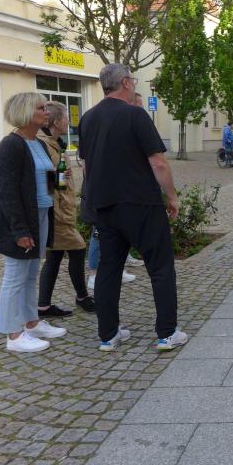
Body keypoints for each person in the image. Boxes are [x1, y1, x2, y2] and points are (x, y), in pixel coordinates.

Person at [79, 63, 187, 352]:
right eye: (134, 81)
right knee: (160, 266)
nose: (135, 85)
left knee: (108, 269)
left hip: (104, 205)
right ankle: (167, 333)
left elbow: (86, 165)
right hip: (140, 203)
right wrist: (172, 196)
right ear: (126, 83)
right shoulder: (135, 114)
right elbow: (158, 162)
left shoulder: (88, 118)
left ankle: (108, 335)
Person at [0, 93, 66, 352]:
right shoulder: (11, 145)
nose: (46, 111)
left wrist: (59, 178)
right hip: (22, 221)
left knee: (31, 273)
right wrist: (20, 230)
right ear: (25, 111)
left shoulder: (38, 143)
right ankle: (13, 335)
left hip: (41, 215)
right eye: (41, 108)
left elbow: (45, 181)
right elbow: (7, 192)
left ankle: (31, 323)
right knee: (15, 275)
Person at [37, 101, 94, 317]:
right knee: (78, 248)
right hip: (57, 212)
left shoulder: (54, 143)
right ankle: (82, 297)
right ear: (57, 121)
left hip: (60, 209)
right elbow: (46, 182)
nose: (69, 121)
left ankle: (43, 306)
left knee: (54, 257)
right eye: (66, 117)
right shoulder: (45, 145)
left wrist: (61, 176)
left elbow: (54, 179)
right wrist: (59, 177)